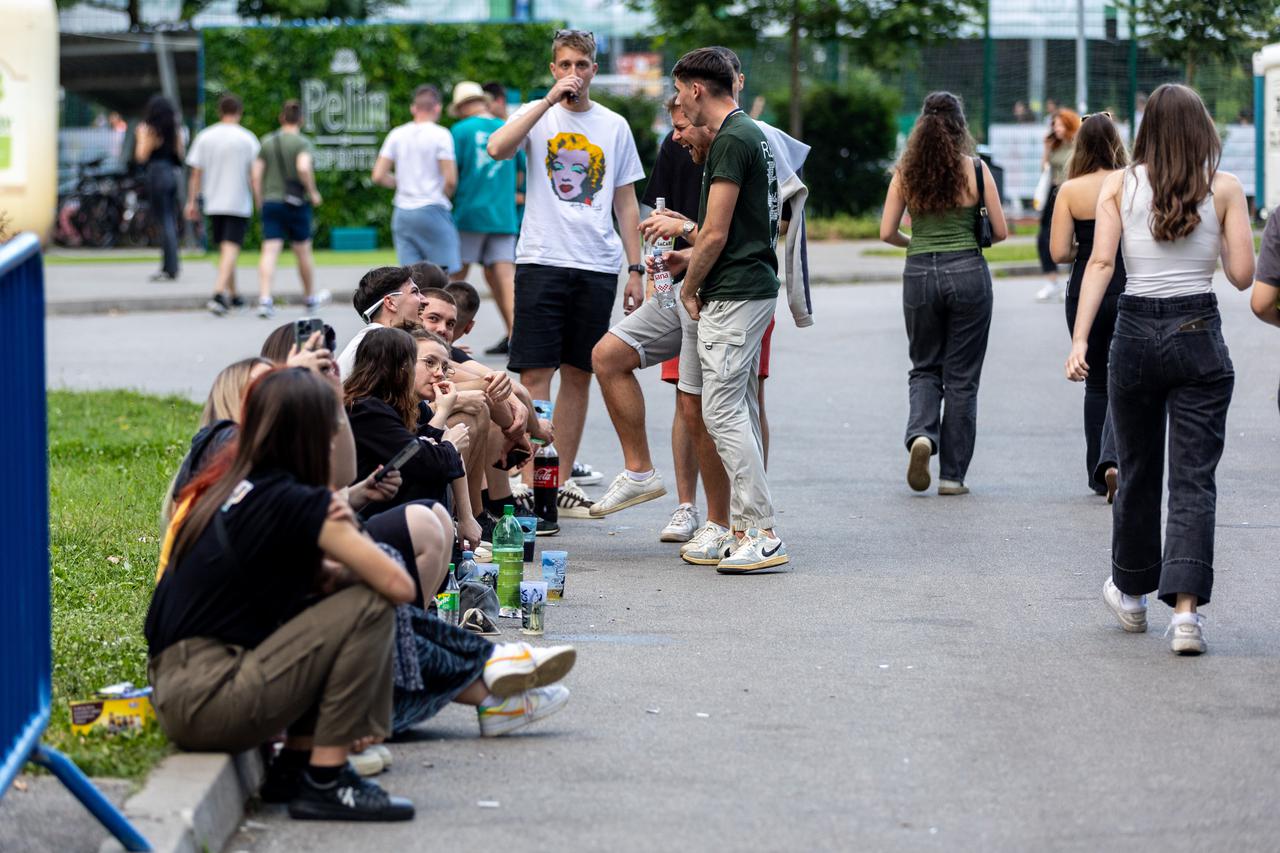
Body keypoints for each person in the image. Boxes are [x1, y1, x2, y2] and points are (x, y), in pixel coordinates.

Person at [145, 367, 419, 821]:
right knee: (368, 603)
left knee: (327, 599)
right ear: (313, 438)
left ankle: (294, 765)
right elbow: (399, 585)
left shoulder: (232, 487)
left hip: (180, 688)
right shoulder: (295, 500)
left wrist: (329, 574)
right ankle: (327, 781)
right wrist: (341, 523)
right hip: (210, 698)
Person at [1065, 83, 1255, 656]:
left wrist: (1080, 338)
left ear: (1147, 130)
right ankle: (1187, 616)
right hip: (1197, 332)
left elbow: (1101, 263)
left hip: (1134, 334)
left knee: (1137, 469)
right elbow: (1243, 276)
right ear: (1202, 130)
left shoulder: (1119, 186)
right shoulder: (1224, 187)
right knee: (1193, 477)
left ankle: (1130, 595)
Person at [486, 29, 646, 518]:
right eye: (565, 65)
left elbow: (626, 202)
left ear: (595, 69)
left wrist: (636, 268)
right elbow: (497, 149)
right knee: (536, 372)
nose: (573, 73)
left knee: (579, 373)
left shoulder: (614, 125)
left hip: (596, 263)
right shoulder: (536, 114)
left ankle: (558, 481)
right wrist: (547, 102)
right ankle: (532, 481)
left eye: (581, 65)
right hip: (541, 258)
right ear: (553, 69)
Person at [657, 48, 788, 573]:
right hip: (747, 287)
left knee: (722, 412)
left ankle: (762, 532)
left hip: (736, 291)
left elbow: (715, 231)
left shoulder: (732, 138)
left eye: (680, 90)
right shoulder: (747, 132)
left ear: (695, 89)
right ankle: (738, 528)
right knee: (739, 409)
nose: (680, 103)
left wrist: (690, 287)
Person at [880, 92, 1009, 496]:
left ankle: (922, 434)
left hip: (919, 273)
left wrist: (918, 243)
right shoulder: (976, 170)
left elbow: (886, 232)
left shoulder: (906, 171)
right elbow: (1000, 231)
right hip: (968, 272)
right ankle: (952, 477)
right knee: (962, 379)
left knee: (924, 367)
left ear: (921, 126)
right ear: (960, 125)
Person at [343, 326, 482, 550]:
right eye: (429, 363)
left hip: (387, 508)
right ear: (395, 365)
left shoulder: (410, 405)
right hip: (362, 518)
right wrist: (446, 431)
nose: (439, 373)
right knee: (433, 470)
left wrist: (466, 517)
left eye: (444, 367)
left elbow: (432, 453)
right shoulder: (366, 409)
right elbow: (423, 461)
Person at [1049, 112, 1128, 500]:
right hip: (1127, 283)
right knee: (1124, 382)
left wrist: (1086, 248)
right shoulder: (1129, 183)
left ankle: (1098, 475)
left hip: (1084, 289)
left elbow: (1058, 252)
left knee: (1095, 384)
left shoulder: (1070, 190)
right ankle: (1117, 462)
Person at [448, 81, 520, 353]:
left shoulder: (459, 130)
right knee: (506, 278)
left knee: (456, 278)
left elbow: (451, 173)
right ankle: (517, 337)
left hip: (470, 212)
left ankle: (442, 335)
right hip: (503, 214)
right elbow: (521, 171)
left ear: (461, 107)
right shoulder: (506, 127)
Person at [373, 85, 461, 273]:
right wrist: (444, 195)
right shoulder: (441, 134)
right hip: (432, 207)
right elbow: (451, 180)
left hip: (402, 212)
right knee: (443, 275)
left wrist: (400, 183)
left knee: (411, 278)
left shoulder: (396, 134)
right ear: (437, 107)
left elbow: (378, 175)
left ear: (413, 108)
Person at [186, 93, 259, 316]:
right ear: (240, 112)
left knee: (226, 248)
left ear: (219, 111)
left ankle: (234, 295)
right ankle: (218, 293)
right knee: (231, 247)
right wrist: (259, 199)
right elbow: (254, 175)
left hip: (214, 200)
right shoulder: (247, 138)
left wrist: (191, 201)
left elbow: (196, 173)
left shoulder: (205, 136)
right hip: (238, 200)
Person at [253, 99, 326, 319]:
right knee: (302, 251)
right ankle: (309, 297)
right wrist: (312, 191)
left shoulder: (267, 142)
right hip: (296, 203)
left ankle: (265, 299)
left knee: (270, 250)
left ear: (281, 118)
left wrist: (260, 200)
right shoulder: (302, 143)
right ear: (301, 120)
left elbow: (255, 175)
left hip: (271, 201)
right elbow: (303, 167)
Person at [336, 266, 427, 377]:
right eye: (414, 292)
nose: (425, 300)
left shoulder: (372, 340)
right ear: (390, 303)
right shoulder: (382, 345)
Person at [134, 95, 184, 282]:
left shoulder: (150, 130)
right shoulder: (175, 131)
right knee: (169, 219)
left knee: (164, 222)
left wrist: (141, 137)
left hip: (156, 173)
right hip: (171, 173)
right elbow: (179, 155)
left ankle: (170, 267)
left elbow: (141, 156)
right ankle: (170, 266)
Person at [1036, 108, 1080, 303]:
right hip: (1053, 193)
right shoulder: (1054, 144)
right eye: (1055, 125)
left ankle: (1072, 281)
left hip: (1070, 193)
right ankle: (1051, 281)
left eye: (1061, 125)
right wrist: (1046, 149)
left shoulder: (1077, 144)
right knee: (1043, 237)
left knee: (1073, 237)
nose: (1057, 129)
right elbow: (1044, 168)